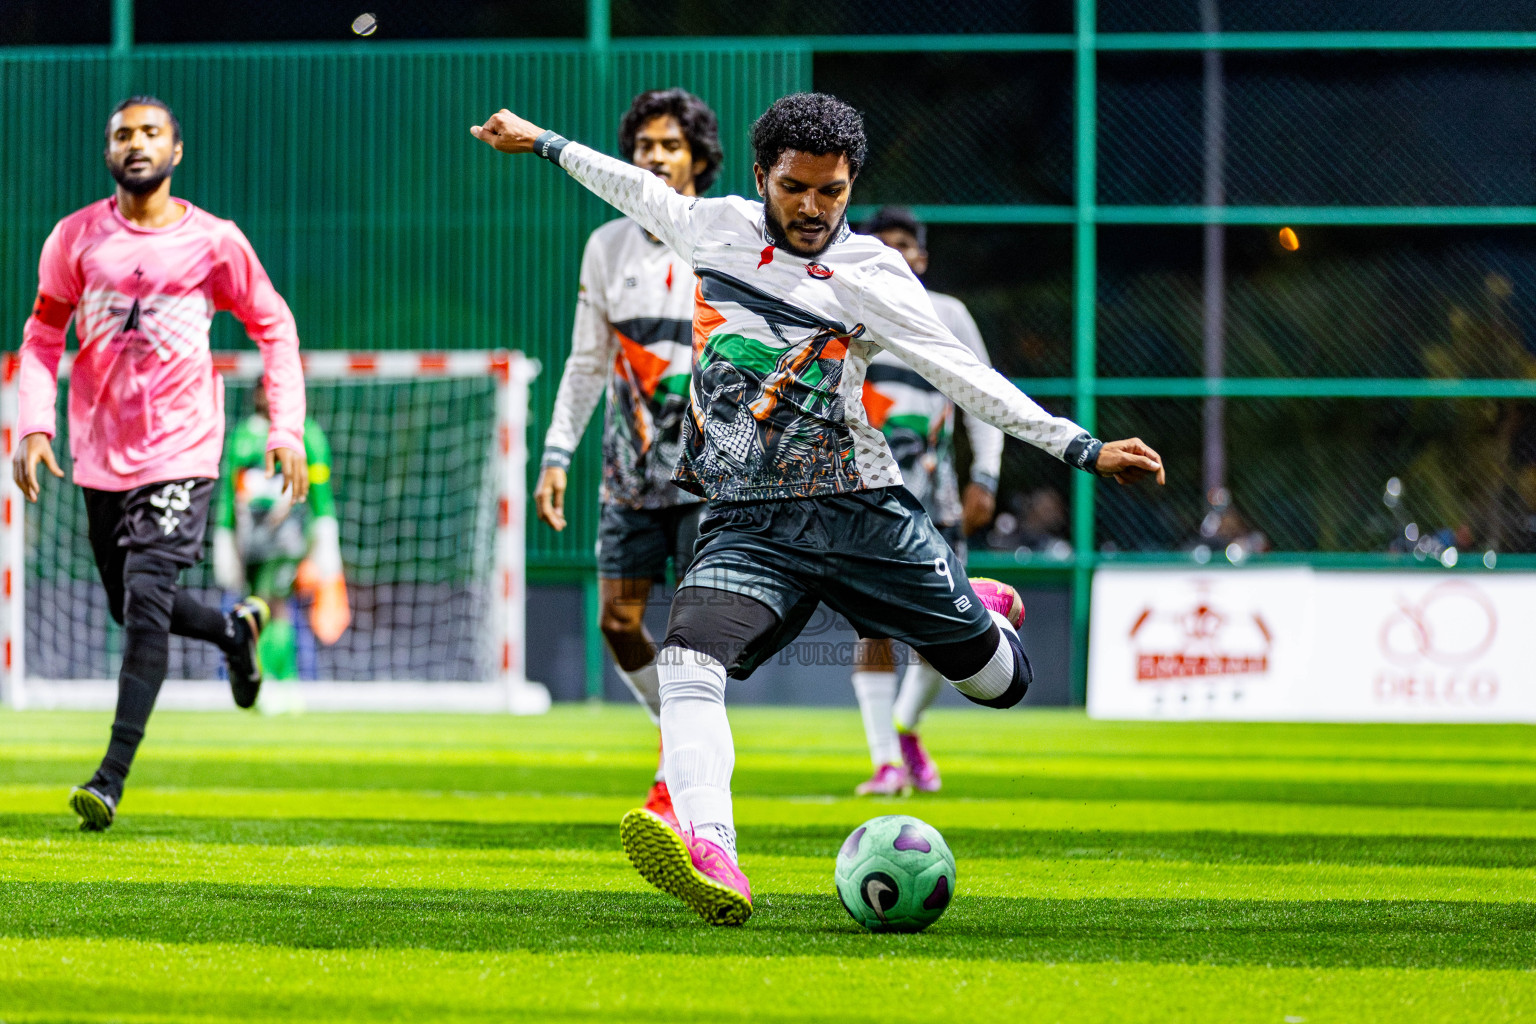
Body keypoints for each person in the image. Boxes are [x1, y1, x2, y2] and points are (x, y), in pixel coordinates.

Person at [471, 92, 1163, 925]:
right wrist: (539, 140)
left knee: (1000, 684)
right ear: (763, 176)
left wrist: (1079, 447)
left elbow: (961, 374)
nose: (812, 208)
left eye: (831, 192)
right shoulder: (714, 226)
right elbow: (627, 186)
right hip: (747, 522)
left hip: (861, 513)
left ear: (849, 185)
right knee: (689, 663)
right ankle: (711, 848)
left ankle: (981, 610)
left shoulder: (874, 274)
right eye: (795, 187)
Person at [13, 96, 308, 831]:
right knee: (128, 604)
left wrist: (287, 429)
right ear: (107, 151)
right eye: (122, 134)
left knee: (145, 596)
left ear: (177, 151)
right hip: (101, 455)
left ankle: (109, 778)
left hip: (183, 449)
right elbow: (43, 334)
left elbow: (274, 325)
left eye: (150, 133)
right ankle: (233, 632)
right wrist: (31, 424)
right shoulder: (75, 237)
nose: (135, 143)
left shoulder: (216, 242)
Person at [533, 89, 723, 827]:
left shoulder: (720, 236)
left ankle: (679, 780)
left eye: (669, 145)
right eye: (643, 146)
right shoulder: (606, 247)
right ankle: (672, 732)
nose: (652, 157)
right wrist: (556, 453)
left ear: (698, 158)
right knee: (619, 622)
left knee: (694, 638)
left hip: (711, 475)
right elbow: (586, 363)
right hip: (627, 475)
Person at [849, 205, 1005, 797]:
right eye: (880, 245)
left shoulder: (949, 316)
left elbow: (982, 395)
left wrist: (985, 477)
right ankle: (886, 762)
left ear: (921, 257)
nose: (895, 255)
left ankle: (905, 726)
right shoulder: (844, 306)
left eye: (905, 246)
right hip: (863, 499)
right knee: (872, 634)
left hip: (936, 503)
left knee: (946, 632)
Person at [212, 378, 346, 713]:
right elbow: (233, 487)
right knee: (258, 604)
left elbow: (318, 488)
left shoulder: (304, 433)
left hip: (287, 536)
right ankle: (275, 680)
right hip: (250, 537)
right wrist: (225, 531)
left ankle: (276, 680)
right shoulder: (244, 434)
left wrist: (324, 527)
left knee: (276, 603)